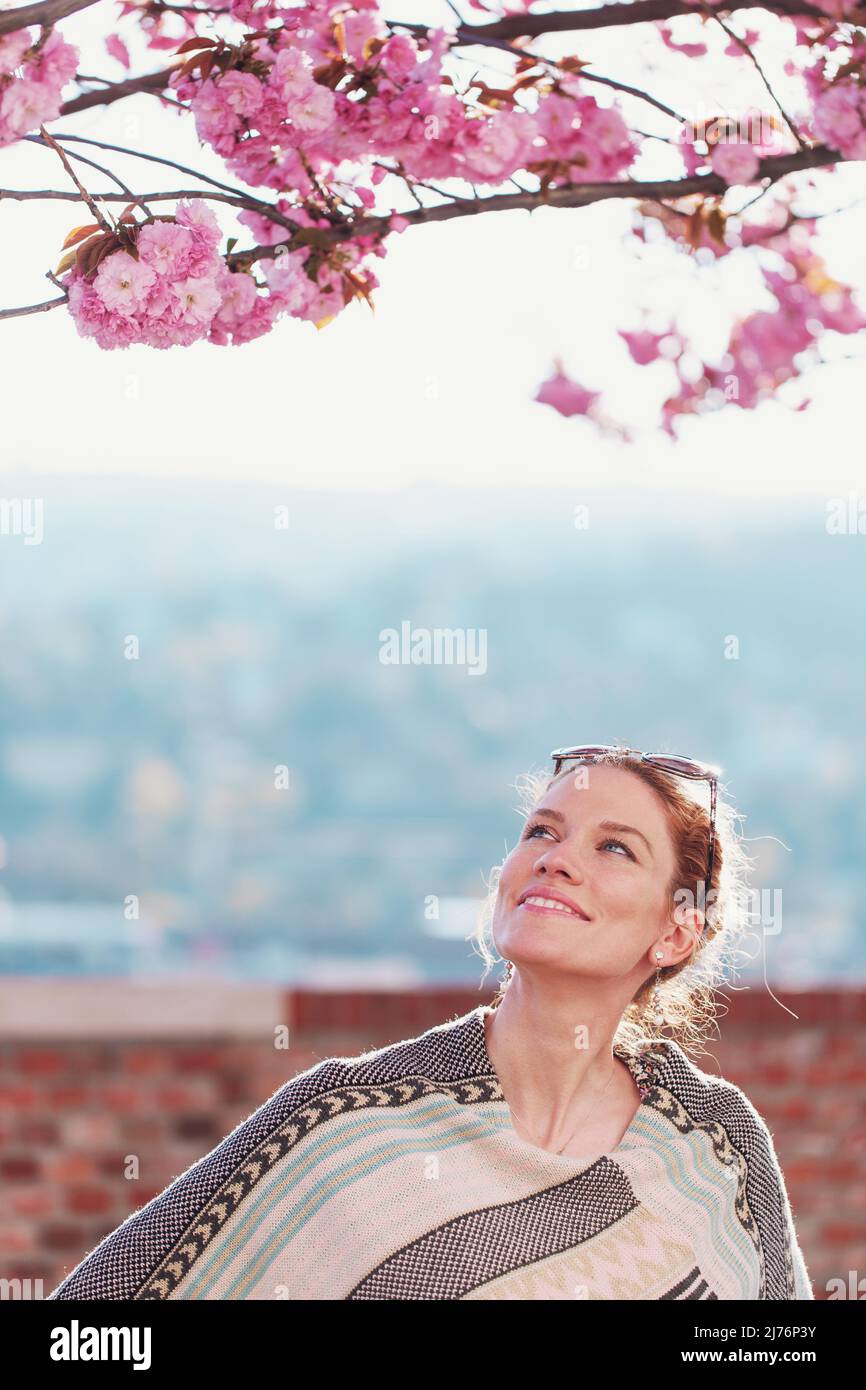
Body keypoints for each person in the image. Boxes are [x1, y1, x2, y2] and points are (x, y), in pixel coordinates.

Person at [47, 744, 813, 1300]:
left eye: (614, 847)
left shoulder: (716, 1148)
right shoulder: (345, 1124)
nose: (556, 858)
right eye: (542, 832)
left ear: (677, 930)